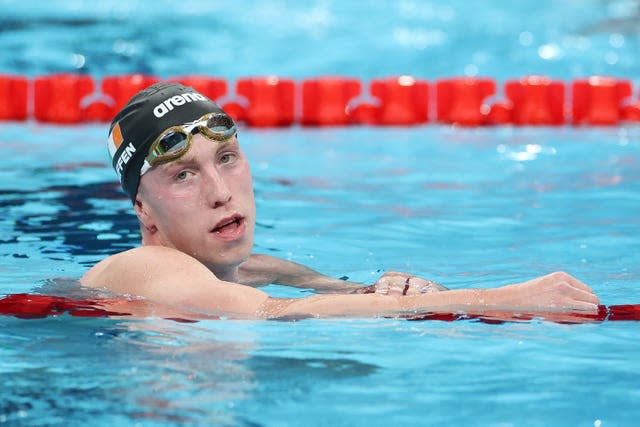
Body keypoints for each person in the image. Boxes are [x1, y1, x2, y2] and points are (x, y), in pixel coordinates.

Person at [80, 82, 600, 320]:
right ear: (142, 210)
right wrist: (505, 301)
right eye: (184, 175)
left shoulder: (251, 267)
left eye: (228, 158)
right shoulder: (145, 269)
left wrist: (401, 287)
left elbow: (343, 293)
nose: (221, 192)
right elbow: (272, 314)